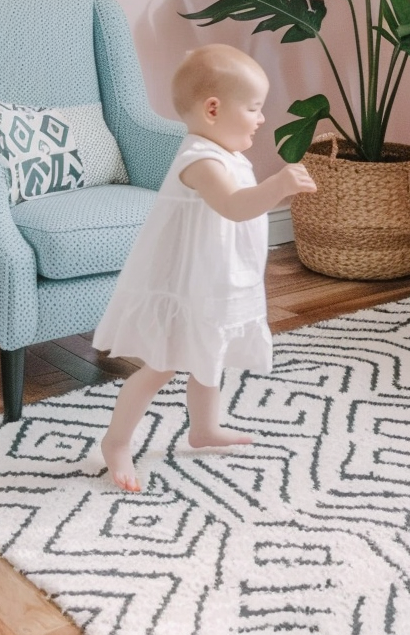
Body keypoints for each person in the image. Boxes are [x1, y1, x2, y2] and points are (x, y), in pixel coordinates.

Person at [93, 43, 317, 492]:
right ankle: (116, 442)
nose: (261, 118)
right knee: (160, 367)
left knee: (207, 353)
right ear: (213, 109)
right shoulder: (199, 160)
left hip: (212, 279)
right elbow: (234, 207)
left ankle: (204, 428)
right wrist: (279, 184)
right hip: (183, 286)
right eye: (254, 108)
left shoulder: (226, 152)